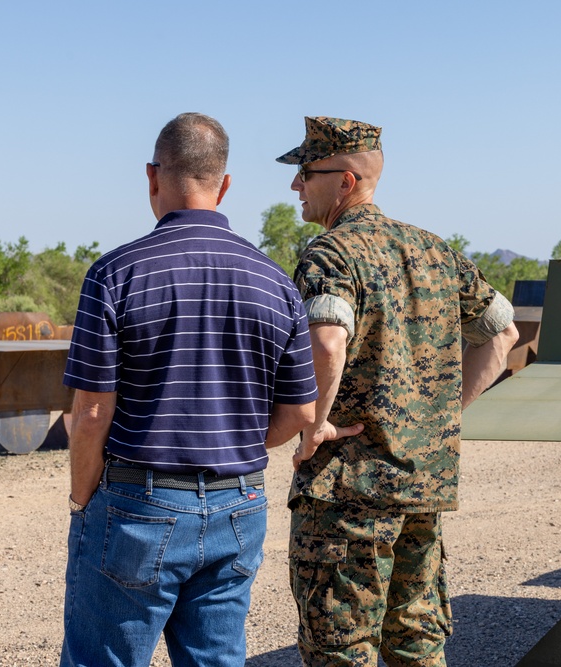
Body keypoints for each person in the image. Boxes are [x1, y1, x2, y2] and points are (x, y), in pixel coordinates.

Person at [59, 112, 320, 667]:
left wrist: (83, 501)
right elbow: (300, 410)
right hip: (240, 504)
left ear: (153, 176)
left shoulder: (115, 274)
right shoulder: (276, 281)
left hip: (137, 504)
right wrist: (236, 448)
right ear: (224, 185)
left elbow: (89, 414)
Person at [277, 116, 520, 667]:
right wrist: (437, 416)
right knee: (417, 643)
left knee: (341, 648)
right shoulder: (436, 251)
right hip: (421, 486)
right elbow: (503, 333)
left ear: (346, 181)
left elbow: (330, 344)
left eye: (305, 173)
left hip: (349, 495)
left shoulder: (332, 255)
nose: (296, 185)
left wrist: (314, 426)